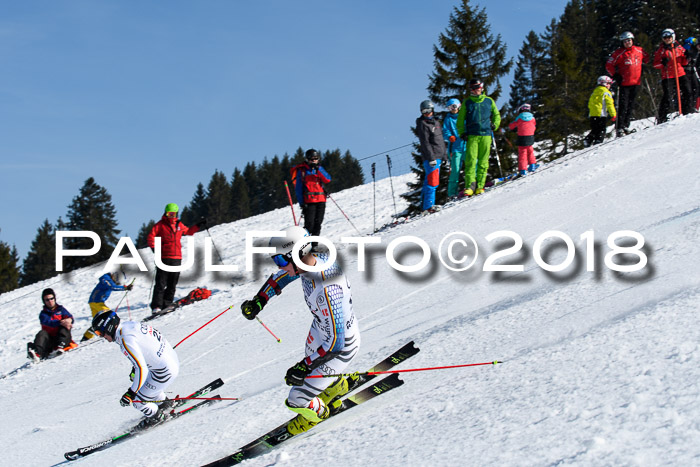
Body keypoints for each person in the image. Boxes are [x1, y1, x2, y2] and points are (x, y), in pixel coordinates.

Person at [240, 226, 360, 435]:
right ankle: (335, 384)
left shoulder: (328, 288)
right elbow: (284, 276)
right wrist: (260, 300)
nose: (279, 266)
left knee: (296, 400)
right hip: (323, 331)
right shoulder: (309, 262)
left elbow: (336, 344)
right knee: (310, 361)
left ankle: (319, 415)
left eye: (280, 261)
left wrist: (303, 366)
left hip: (340, 347)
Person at [91, 310, 180, 427]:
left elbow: (141, 368)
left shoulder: (125, 339)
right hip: (169, 361)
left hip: (164, 371)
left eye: (100, 332)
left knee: (138, 401)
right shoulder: (129, 325)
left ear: (109, 327)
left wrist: (131, 393)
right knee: (145, 385)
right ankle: (165, 404)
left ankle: (157, 417)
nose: (102, 336)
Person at [147, 203, 204, 314]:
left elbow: (188, 232)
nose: (171, 216)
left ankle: (167, 303)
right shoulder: (160, 225)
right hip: (163, 257)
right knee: (161, 283)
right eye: (169, 214)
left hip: (176, 258)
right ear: (165, 213)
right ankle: (157, 306)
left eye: (173, 214)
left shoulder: (179, 225)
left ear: (177, 214)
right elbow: (151, 236)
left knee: (172, 283)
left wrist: (198, 225)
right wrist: (154, 248)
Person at [457, 78, 501, 196]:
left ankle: (480, 186)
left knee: (483, 161)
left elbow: (496, 114)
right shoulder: (467, 102)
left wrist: (495, 125)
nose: (475, 90)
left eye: (477, 88)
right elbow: (460, 119)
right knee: (471, 161)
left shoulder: (489, 101)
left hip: (486, 135)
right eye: (473, 88)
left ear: (481, 88)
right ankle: (470, 186)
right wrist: (462, 132)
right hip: (472, 135)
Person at [605, 31, 650, 137]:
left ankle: (626, 125)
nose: (627, 43)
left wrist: (644, 65)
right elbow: (609, 64)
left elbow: (647, 58)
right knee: (623, 106)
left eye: (629, 40)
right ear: (622, 42)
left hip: (636, 82)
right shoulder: (619, 53)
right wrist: (615, 75)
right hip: (624, 83)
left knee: (631, 105)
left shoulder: (639, 50)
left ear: (632, 40)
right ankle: (619, 127)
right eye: (625, 41)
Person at [292, 149, 331, 249]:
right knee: (309, 224)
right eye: (312, 159)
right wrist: (301, 203)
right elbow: (298, 188)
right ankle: (306, 245)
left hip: (321, 200)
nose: (314, 160)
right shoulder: (302, 171)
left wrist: (318, 170)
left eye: (316, 158)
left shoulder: (319, 169)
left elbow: (327, 179)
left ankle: (314, 245)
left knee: (318, 223)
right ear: (307, 159)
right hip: (309, 201)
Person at [653, 28, 693, 122]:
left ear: (673, 37)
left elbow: (684, 62)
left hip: (680, 73)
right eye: (665, 38)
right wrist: (663, 63)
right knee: (668, 96)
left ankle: (687, 111)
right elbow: (655, 64)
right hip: (668, 76)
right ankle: (662, 117)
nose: (667, 39)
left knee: (687, 92)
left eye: (669, 37)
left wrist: (687, 57)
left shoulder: (679, 47)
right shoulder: (661, 50)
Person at [81, 271, 133, 341]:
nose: (116, 283)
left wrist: (125, 287)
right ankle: (110, 331)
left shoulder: (107, 279)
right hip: (97, 302)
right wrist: (124, 288)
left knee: (98, 320)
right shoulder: (106, 279)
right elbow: (112, 287)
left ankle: (86, 337)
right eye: (117, 281)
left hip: (95, 302)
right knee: (109, 315)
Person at [27, 288, 76, 361]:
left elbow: (70, 317)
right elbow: (49, 322)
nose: (50, 301)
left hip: (62, 338)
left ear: (54, 298)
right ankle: (37, 353)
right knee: (42, 333)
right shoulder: (43, 314)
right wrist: (61, 322)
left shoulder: (61, 309)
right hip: (49, 341)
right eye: (47, 300)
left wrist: (69, 320)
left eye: (51, 298)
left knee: (64, 328)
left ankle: (60, 347)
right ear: (44, 301)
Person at [416, 100, 447, 211]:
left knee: (428, 182)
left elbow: (441, 141)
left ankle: (424, 206)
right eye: (424, 111)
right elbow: (425, 143)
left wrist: (445, 157)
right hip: (432, 158)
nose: (427, 113)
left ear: (432, 110)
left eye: (428, 111)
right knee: (432, 182)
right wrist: (431, 158)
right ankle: (428, 206)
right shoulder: (423, 124)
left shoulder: (436, 122)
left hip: (439, 155)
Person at [442, 98, 467, 199]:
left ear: (459, 106)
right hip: (455, 148)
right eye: (450, 107)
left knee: (471, 165)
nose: (453, 109)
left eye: (454, 106)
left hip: (465, 146)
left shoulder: (463, 116)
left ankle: (473, 185)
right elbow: (445, 131)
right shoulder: (448, 119)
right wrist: (449, 137)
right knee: (455, 169)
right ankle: (452, 193)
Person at [585, 76, 617, 147]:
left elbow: (590, 104)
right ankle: (598, 142)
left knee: (595, 129)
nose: (609, 85)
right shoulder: (606, 93)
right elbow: (610, 104)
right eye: (609, 83)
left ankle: (588, 140)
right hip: (601, 114)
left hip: (592, 114)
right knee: (601, 130)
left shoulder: (594, 92)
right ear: (605, 84)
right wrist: (613, 115)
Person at [508, 103, 538, 176]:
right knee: (530, 150)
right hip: (530, 136)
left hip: (522, 137)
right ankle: (532, 165)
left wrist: (513, 128)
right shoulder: (532, 118)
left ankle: (523, 169)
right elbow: (534, 126)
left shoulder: (519, 117)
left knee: (522, 153)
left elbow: (512, 126)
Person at [682, 37, 699, 111]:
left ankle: (693, 107)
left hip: (692, 71)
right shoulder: (691, 50)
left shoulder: (696, 51)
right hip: (685, 71)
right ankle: (688, 108)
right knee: (689, 90)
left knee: (696, 88)